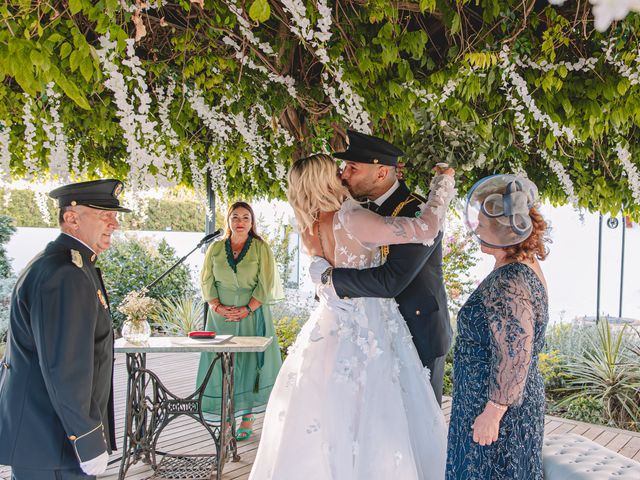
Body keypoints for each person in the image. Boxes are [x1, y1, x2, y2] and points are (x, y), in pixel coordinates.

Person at [249, 153, 455, 480]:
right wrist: (441, 187)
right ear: (325, 180)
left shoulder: (308, 227)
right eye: (337, 171)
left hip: (329, 325)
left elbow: (323, 275)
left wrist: (324, 281)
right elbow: (424, 227)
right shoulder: (351, 218)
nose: (343, 175)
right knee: (376, 414)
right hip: (371, 323)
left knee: (330, 414)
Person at [0, 179, 131, 480]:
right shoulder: (64, 274)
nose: (114, 223)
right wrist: (87, 441)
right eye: (103, 214)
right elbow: (66, 367)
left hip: (50, 438)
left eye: (114, 215)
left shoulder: (71, 265)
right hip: (54, 442)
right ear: (71, 218)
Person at [312, 129, 452, 405]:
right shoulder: (359, 210)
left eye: (352, 167)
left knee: (417, 429)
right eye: (344, 167)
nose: (343, 175)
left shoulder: (415, 211)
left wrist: (332, 280)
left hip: (417, 331)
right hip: (374, 334)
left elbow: (392, 281)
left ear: (380, 173)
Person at [446, 174, 549, 479]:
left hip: (495, 408)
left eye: (481, 222)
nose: (475, 228)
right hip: (499, 401)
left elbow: (516, 350)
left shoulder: (509, 281)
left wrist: (493, 412)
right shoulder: (520, 264)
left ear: (503, 228)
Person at [196, 201, 283, 441]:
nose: (240, 222)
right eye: (236, 217)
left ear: (252, 222)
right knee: (219, 363)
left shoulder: (260, 248)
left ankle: (246, 416)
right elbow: (206, 280)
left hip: (252, 314)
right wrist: (217, 306)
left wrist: (247, 309)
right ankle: (225, 416)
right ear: (228, 220)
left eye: (246, 217)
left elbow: (265, 283)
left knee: (248, 361)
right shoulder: (215, 248)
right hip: (219, 316)